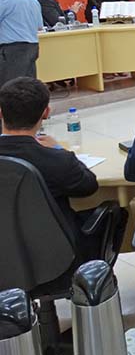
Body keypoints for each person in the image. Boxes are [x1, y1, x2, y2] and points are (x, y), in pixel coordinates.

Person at [0, 77, 101, 260]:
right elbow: (89, 186)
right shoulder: (57, 160)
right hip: (53, 257)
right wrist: (59, 149)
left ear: (1, 112)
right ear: (46, 113)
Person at [0, 0, 43, 88]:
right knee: (28, 86)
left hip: (12, 49)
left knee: (10, 87)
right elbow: (39, 26)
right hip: (32, 47)